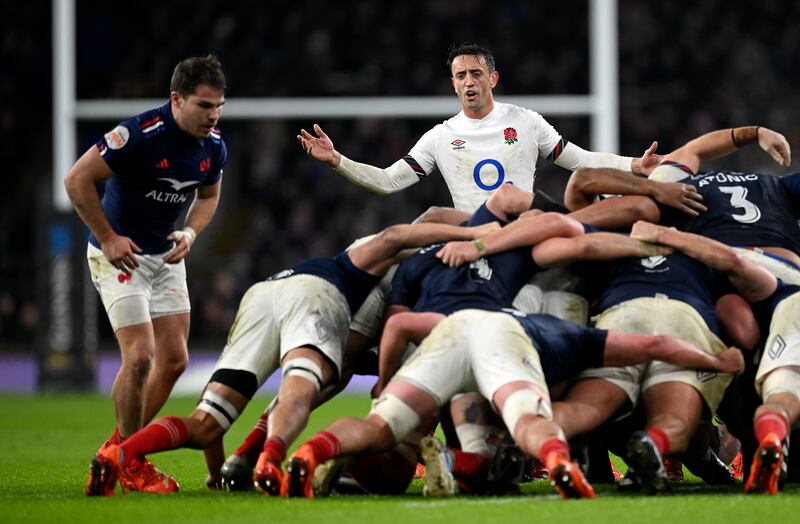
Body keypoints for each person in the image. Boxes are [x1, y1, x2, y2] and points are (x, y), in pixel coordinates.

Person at [83, 220, 498, 497]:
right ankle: (271, 462)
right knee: (300, 390)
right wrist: (480, 228)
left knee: (207, 419)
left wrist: (218, 473)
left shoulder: (343, 260)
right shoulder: (373, 268)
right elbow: (394, 238)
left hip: (262, 296)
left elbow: (411, 229)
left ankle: (119, 454)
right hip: (314, 299)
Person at [64, 55, 228, 494]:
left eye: (219, 106)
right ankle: (132, 463)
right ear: (176, 99)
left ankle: (116, 451)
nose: (213, 116)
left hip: (166, 257)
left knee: (174, 361)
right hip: (119, 256)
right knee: (139, 358)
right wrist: (109, 236)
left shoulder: (213, 146)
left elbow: (209, 196)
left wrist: (191, 232)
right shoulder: (137, 135)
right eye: (204, 105)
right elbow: (77, 180)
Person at [297, 43, 663, 214]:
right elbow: (387, 182)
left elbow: (580, 161)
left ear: (493, 78)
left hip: (526, 231)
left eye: (476, 73)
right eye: (461, 76)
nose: (469, 82)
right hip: (471, 239)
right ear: (453, 84)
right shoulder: (440, 137)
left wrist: (635, 165)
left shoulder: (526, 120)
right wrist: (337, 160)